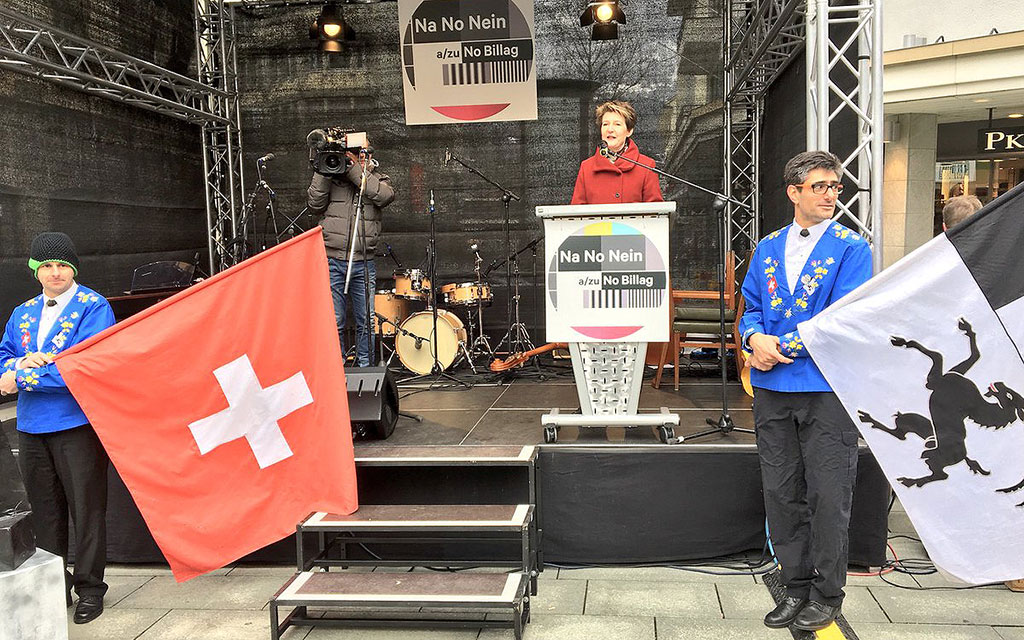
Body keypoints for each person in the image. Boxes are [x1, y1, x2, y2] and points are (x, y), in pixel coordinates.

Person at [738, 151, 873, 632]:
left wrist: (781, 345)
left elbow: (843, 317)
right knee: (781, 491)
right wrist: (755, 339)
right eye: (819, 187)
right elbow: (750, 306)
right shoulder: (768, 246)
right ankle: (794, 586)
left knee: (828, 492)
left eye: (835, 187)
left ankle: (827, 593)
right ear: (793, 191)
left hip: (824, 390)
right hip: (772, 388)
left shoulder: (852, 248)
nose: (830, 195)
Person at [0, 232, 115, 624]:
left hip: (76, 423)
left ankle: (90, 588)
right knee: (45, 512)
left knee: (87, 509)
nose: (55, 272)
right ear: (35, 270)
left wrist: (22, 377)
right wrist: (16, 366)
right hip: (31, 425)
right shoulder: (22, 312)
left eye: (62, 265)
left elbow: (84, 368)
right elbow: (4, 357)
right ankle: (54, 583)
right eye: (46, 265)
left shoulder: (92, 307)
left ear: (74, 268)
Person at [307, 137, 395, 367]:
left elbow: (384, 196)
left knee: (365, 319)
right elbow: (314, 204)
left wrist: (356, 170)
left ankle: (365, 368)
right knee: (334, 319)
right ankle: (336, 369)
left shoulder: (378, 178)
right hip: (332, 259)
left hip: (363, 261)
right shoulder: (331, 178)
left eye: (360, 153)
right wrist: (322, 168)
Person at [571, 100, 663, 204]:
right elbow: (577, 214)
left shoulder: (646, 166)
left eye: (617, 124)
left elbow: (655, 215)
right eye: (605, 124)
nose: (610, 129)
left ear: (629, 131)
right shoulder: (586, 168)